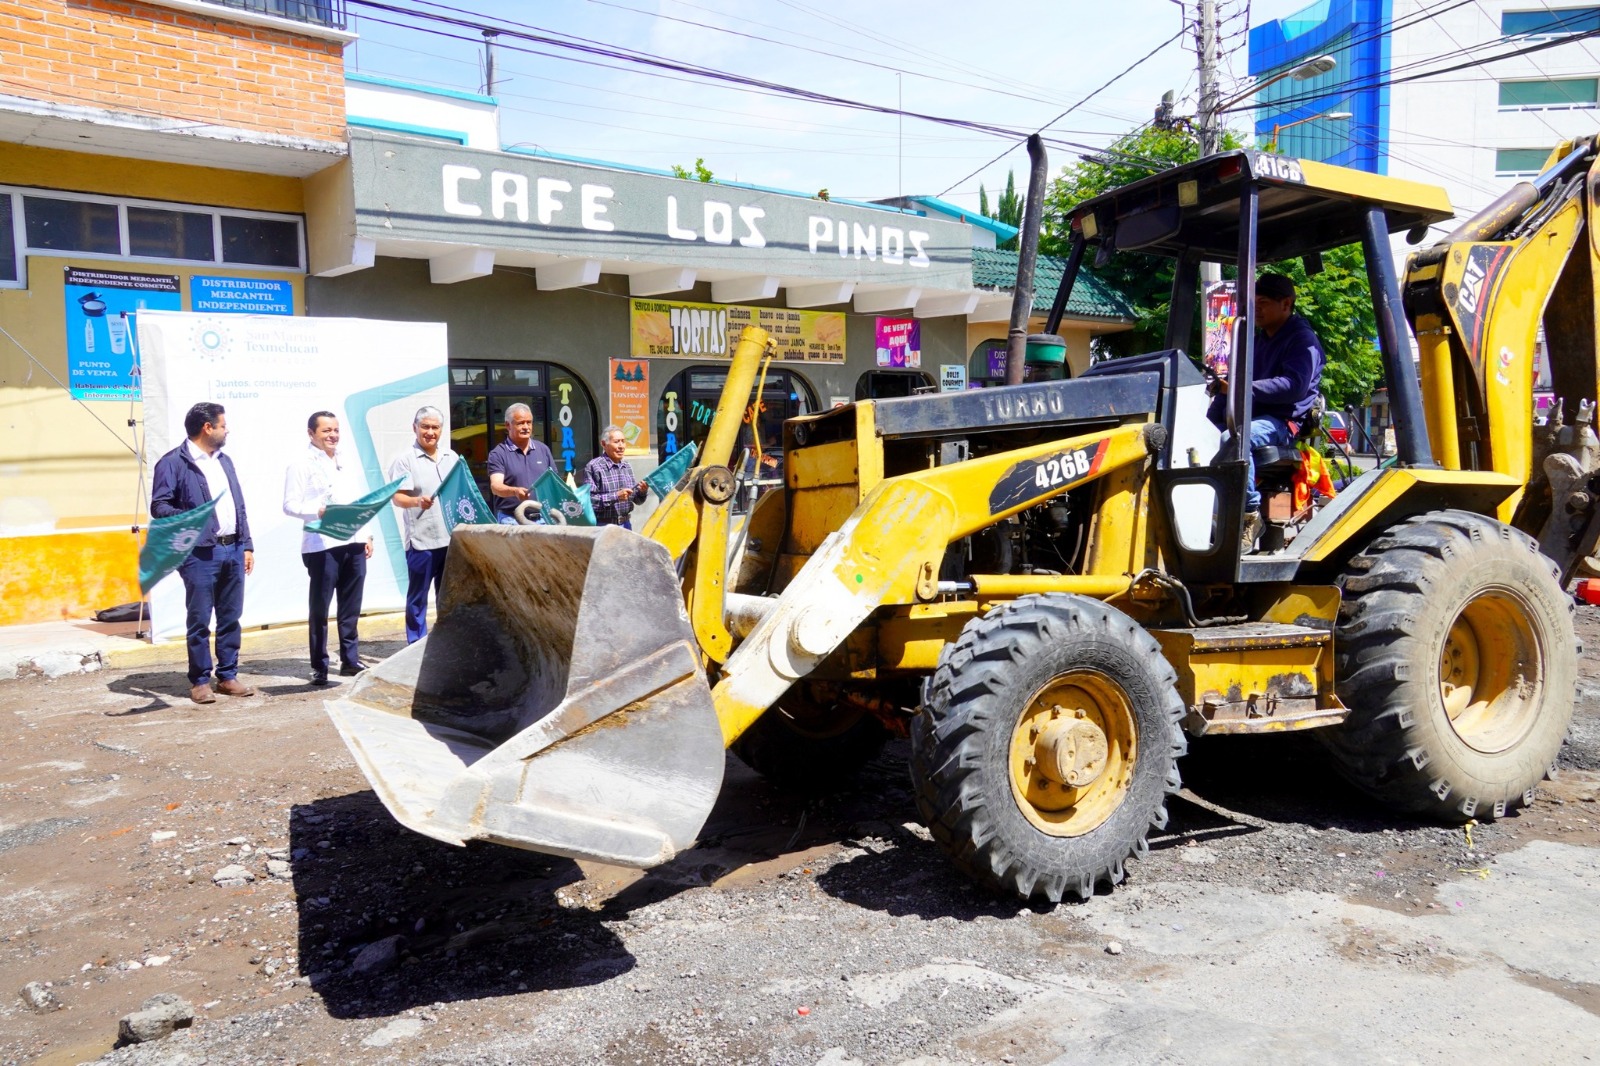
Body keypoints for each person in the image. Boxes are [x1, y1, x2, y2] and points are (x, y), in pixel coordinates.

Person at [1207, 272, 1325, 552]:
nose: (1256, 309)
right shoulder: (1255, 341)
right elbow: (1235, 384)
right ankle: (1210, 518)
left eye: (1263, 303)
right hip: (1254, 418)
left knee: (1235, 439)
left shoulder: (1302, 340)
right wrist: (1212, 414)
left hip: (1284, 423)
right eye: (1254, 303)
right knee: (1201, 438)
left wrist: (1238, 388)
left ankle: (1249, 516)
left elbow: (1294, 386)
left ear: (1286, 304)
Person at [150, 402, 256, 705]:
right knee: (199, 619)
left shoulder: (225, 461)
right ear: (207, 428)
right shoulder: (173, 462)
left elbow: (238, 505)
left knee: (230, 617)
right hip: (199, 554)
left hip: (233, 548)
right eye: (223, 425)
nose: (227, 430)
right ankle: (199, 681)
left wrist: (247, 544)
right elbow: (159, 507)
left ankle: (228, 676)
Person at [283, 411, 374, 685]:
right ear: (311, 433)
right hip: (322, 545)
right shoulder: (301, 464)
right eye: (326, 430)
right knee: (320, 608)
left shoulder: (346, 461)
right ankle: (319, 665)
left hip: (353, 542)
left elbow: (360, 501)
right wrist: (318, 510)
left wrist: (367, 535)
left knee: (351, 606)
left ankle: (350, 660)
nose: (333, 435)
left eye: (335, 430)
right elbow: (290, 505)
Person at [389, 405, 458, 643]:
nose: (430, 432)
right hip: (422, 541)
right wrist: (417, 501)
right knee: (418, 597)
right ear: (415, 428)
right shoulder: (405, 461)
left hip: (450, 539)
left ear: (441, 430)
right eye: (425, 427)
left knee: (448, 596)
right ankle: (416, 644)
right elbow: (398, 498)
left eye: (435, 427)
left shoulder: (451, 457)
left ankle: (445, 641)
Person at [486, 402, 554, 524]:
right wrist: (515, 492)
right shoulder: (498, 453)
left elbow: (553, 482)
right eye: (521, 423)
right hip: (512, 520)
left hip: (544, 519)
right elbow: (495, 487)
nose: (526, 427)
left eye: (529, 422)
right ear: (508, 425)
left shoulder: (543, 450)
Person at [579, 425, 651, 528]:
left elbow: (637, 500)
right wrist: (616, 496)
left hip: (626, 525)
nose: (621, 446)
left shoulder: (627, 466)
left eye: (623, 441)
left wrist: (642, 492)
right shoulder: (594, 467)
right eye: (616, 442)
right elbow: (590, 501)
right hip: (603, 526)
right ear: (604, 444)